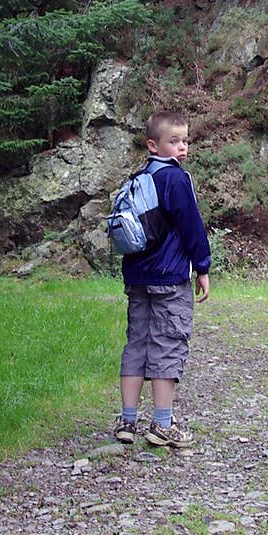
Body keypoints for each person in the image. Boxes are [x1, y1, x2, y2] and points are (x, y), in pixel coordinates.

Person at [113, 110, 211, 450]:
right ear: (153, 144)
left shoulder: (138, 177)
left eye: (185, 141)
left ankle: (127, 421)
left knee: (136, 343)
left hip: (137, 276)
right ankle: (162, 424)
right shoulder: (175, 179)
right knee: (168, 342)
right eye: (174, 141)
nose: (182, 147)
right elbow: (191, 226)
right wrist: (203, 266)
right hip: (169, 278)